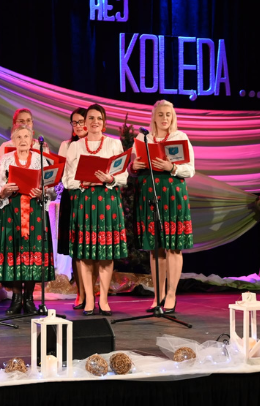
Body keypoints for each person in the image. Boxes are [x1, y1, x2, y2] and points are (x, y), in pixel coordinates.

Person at [129, 100, 195, 314]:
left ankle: (172, 295)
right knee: (156, 247)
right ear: (154, 117)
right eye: (160, 114)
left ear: (173, 117)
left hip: (172, 195)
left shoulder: (180, 137)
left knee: (173, 246)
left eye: (168, 114)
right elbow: (132, 168)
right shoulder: (144, 138)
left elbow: (190, 170)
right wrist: (134, 166)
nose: (165, 118)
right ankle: (158, 296)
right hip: (150, 194)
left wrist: (171, 167)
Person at [62, 104, 128, 316]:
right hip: (84, 202)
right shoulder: (75, 146)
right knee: (85, 254)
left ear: (104, 122)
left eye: (99, 118)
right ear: (85, 122)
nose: (95, 122)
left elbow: (123, 176)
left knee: (106, 254)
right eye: (90, 118)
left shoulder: (114, 144)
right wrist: (85, 182)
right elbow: (67, 179)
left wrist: (109, 179)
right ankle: (89, 299)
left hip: (107, 202)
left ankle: (104, 300)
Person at [0, 125, 56, 315]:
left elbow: (52, 190)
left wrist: (43, 192)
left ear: (32, 140)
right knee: (14, 253)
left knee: (32, 253)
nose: (22, 140)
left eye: (26, 136)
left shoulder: (40, 160)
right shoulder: (6, 159)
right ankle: (16, 297)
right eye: (18, 137)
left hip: (34, 211)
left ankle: (28, 298)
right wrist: (4, 190)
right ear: (13, 140)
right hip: (12, 211)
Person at [57, 107, 95, 310]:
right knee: (76, 247)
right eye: (75, 122)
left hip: (92, 197)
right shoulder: (67, 145)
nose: (78, 126)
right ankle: (80, 292)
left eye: (81, 121)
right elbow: (62, 172)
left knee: (92, 247)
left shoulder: (96, 144)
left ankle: (92, 292)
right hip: (72, 197)